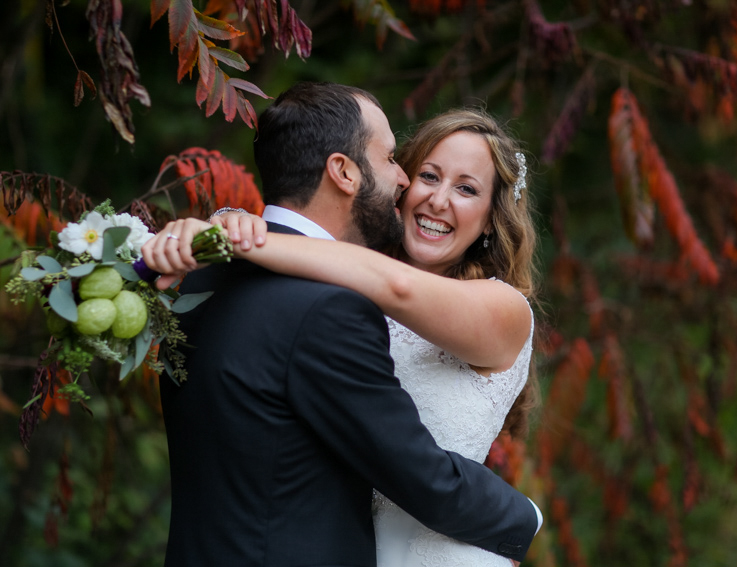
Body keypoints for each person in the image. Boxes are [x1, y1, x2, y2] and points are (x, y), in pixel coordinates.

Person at [142, 82, 540, 566]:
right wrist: (226, 229)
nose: (435, 198)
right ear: (350, 174)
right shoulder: (332, 299)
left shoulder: (502, 307)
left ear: (493, 218)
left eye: (466, 188)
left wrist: (236, 235)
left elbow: (398, 287)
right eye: (425, 174)